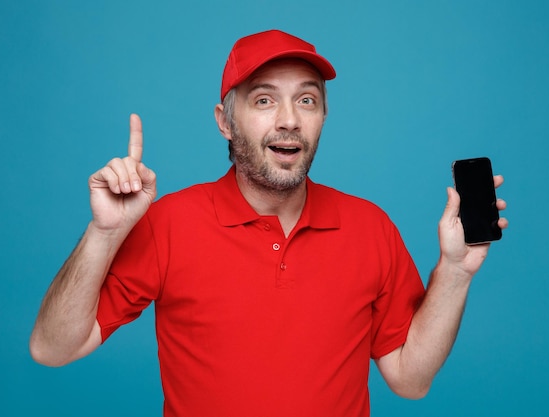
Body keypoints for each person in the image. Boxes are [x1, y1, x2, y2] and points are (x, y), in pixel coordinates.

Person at [30, 29, 508, 417]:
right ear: (225, 120)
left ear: (323, 115)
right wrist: (105, 233)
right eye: (263, 101)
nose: (289, 120)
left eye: (306, 100)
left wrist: (455, 272)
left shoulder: (370, 226)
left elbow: (410, 379)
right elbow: (53, 349)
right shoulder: (169, 223)